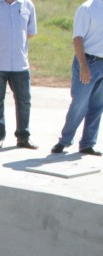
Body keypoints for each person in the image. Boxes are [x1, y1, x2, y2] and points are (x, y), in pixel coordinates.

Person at [0, 0, 38, 149]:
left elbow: (30, 32)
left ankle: (23, 137)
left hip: (20, 63)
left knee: (24, 101)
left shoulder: (27, 5)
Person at [52, 0, 103, 156]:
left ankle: (88, 144)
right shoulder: (87, 8)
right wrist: (83, 65)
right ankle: (64, 141)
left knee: (97, 105)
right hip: (89, 62)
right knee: (79, 104)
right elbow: (77, 38)